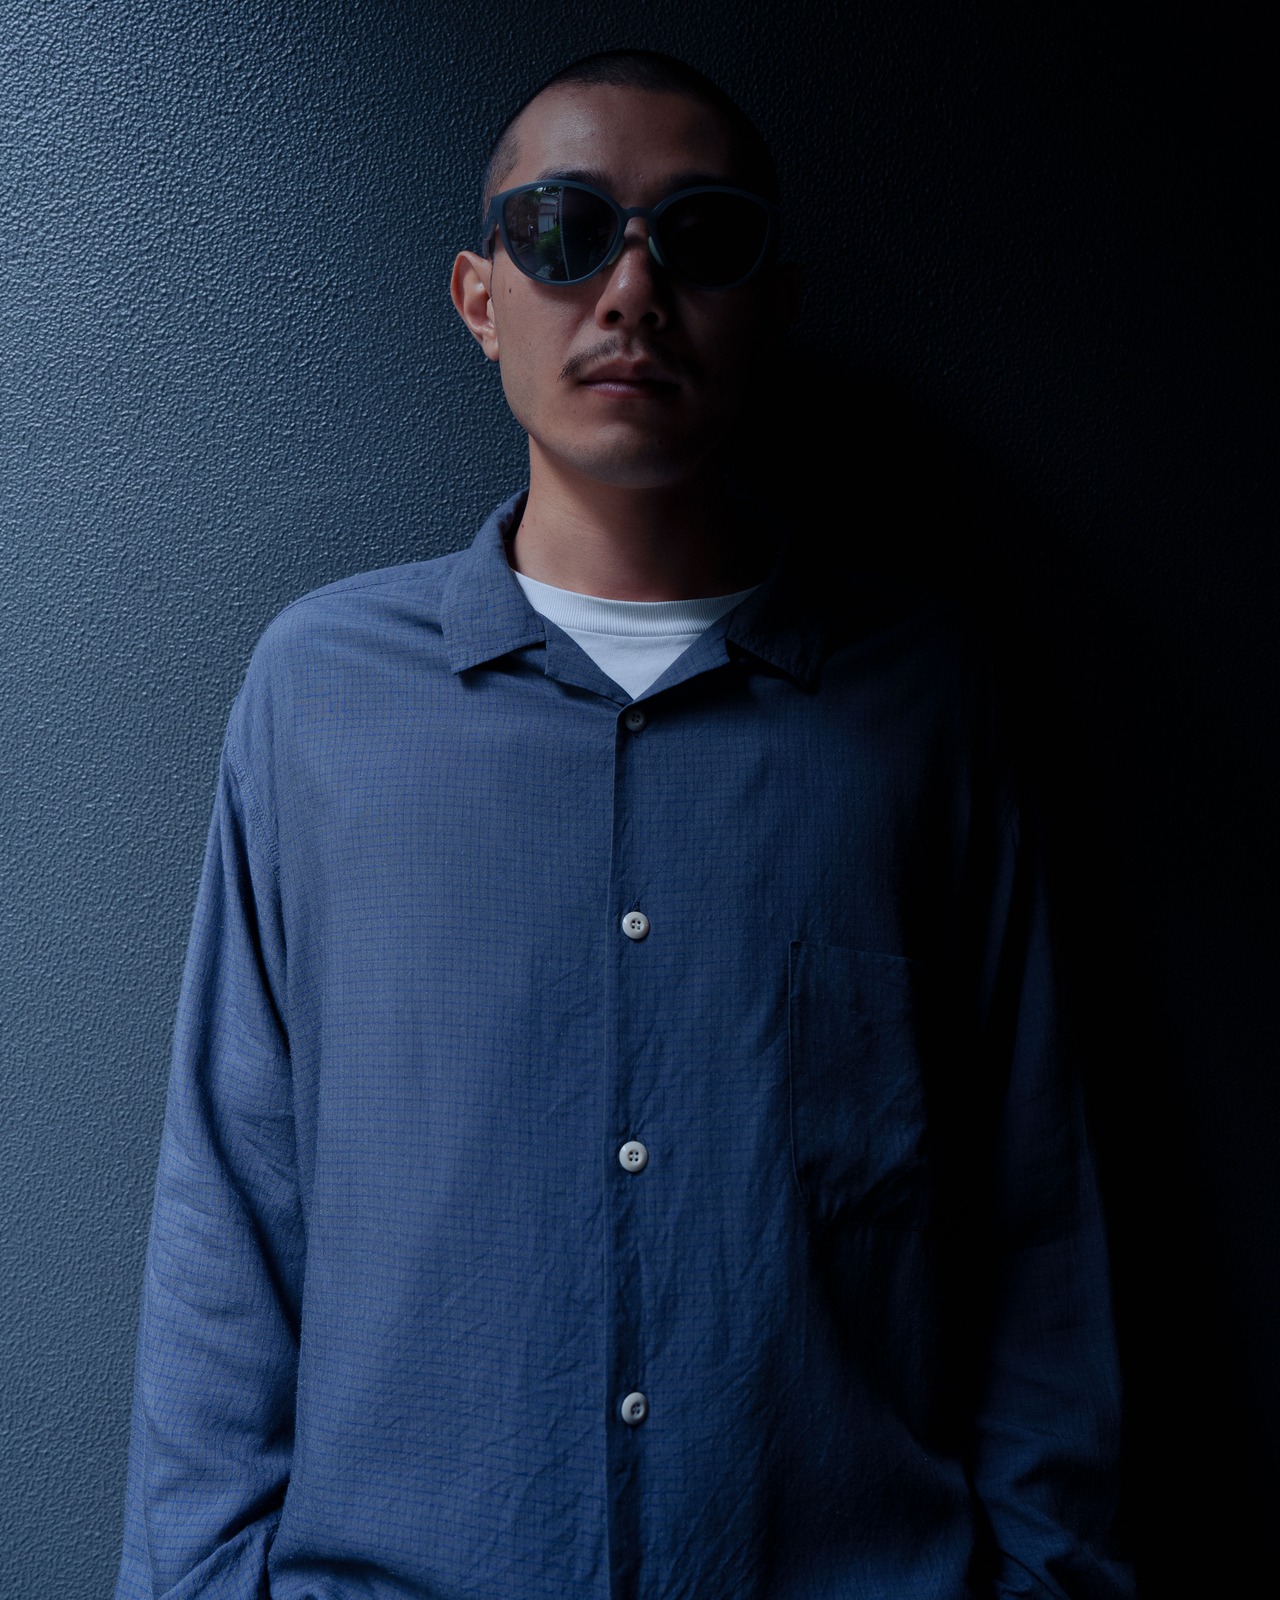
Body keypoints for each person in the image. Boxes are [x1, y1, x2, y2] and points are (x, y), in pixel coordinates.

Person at [114, 48, 1133, 1600]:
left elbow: (1030, 1218)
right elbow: (229, 1218)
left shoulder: (924, 703)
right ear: (480, 297)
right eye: (565, 230)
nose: (633, 291)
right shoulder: (317, 696)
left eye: (699, 238)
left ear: (771, 305)